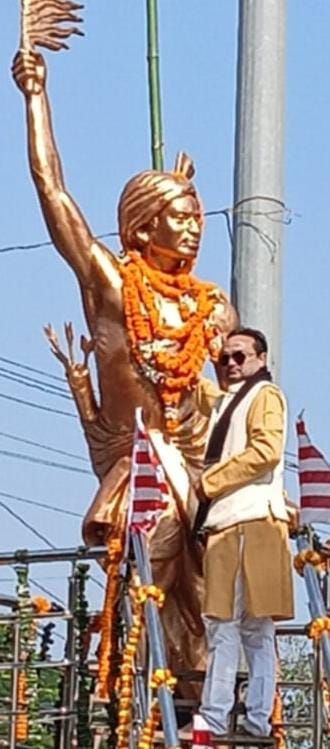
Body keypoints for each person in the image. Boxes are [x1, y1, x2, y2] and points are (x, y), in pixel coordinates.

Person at [11, 46, 237, 682]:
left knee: (211, 604)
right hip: (142, 468)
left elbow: (232, 399)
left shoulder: (211, 306)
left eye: (197, 218)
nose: (194, 229)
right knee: (145, 586)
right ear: (141, 228)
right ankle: (136, 690)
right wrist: (35, 97)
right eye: (179, 217)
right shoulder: (111, 286)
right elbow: (52, 191)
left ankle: (201, 702)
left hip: (202, 480)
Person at [193, 327, 294, 739]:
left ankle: (215, 718)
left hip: (246, 522)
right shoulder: (230, 401)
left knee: (229, 626)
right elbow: (202, 394)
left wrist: (209, 482)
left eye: (240, 356)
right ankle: (251, 719)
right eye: (224, 358)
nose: (231, 364)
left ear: (261, 359)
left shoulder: (264, 396)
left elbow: (266, 450)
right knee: (250, 628)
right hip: (236, 524)